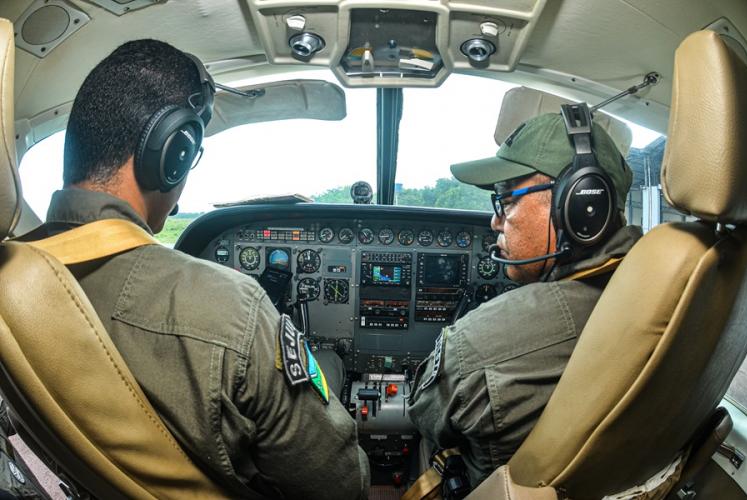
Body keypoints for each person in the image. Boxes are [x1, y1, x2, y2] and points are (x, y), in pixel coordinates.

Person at [18, 40, 369, 499]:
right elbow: (340, 486)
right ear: (174, 153)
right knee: (329, 368)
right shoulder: (233, 310)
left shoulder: (11, 280)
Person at [407, 110, 643, 488]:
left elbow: (423, 414)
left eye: (506, 200)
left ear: (580, 203)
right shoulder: (664, 291)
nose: (495, 222)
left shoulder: (473, 348)